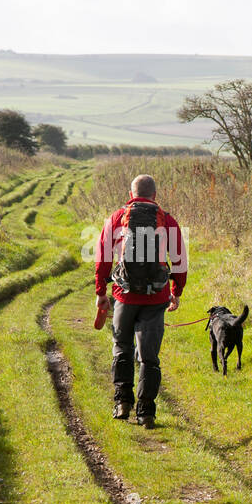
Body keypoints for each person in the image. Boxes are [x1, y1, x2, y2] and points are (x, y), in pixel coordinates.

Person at [95, 174, 187, 428]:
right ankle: (146, 411)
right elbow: (179, 259)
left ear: (131, 193)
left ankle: (122, 402)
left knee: (122, 346)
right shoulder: (167, 220)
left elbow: (103, 256)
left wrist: (101, 290)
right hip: (156, 297)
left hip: (124, 296)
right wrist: (176, 291)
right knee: (149, 357)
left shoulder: (117, 218)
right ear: (155, 195)